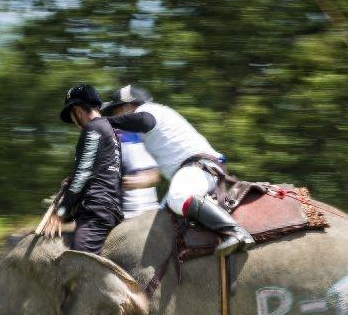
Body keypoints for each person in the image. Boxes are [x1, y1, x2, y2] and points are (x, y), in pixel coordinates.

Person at [101, 85, 254, 257]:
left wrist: (101, 123)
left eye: (116, 111)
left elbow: (144, 121)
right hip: (194, 170)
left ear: (129, 106)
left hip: (198, 168)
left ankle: (235, 232)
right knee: (158, 225)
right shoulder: (148, 127)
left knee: (178, 197)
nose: (115, 116)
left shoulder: (150, 110)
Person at [43, 84, 123, 254]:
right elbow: (100, 171)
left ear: (77, 111)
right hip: (110, 207)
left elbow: (83, 175)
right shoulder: (110, 131)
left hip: (96, 210)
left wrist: (61, 212)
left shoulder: (93, 129)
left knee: (78, 262)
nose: (74, 122)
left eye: (72, 116)